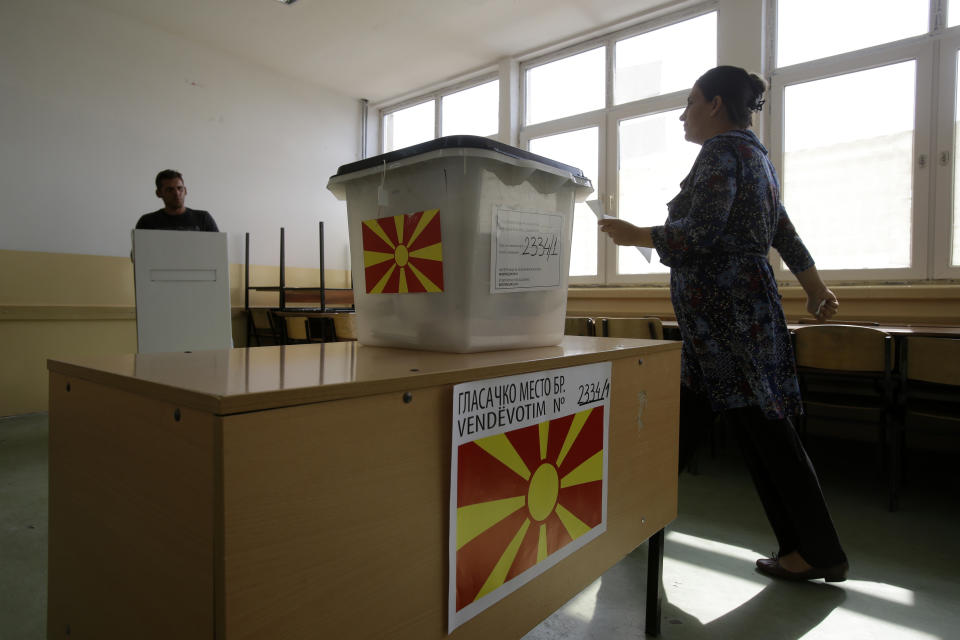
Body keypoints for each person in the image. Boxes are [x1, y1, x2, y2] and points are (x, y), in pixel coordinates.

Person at [598, 65, 848, 583]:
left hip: (725, 324)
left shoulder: (719, 153)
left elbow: (703, 232)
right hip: (737, 319)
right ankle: (639, 521)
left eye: (690, 102)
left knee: (766, 435)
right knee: (720, 430)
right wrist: (815, 286)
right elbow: (783, 230)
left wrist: (637, 234)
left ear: (715, 105)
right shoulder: (757, 158)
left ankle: (819, 550)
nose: (683, 114)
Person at [135, 169, 219, 231]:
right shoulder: (147, 222)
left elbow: (218, 249)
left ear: (185, 190)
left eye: (180, 188)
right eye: (169, 190)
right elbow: (138, 253)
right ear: (159, 193)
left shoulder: (203, 218)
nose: (176, 193)